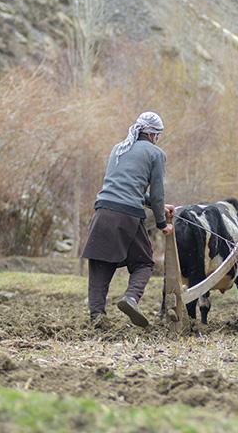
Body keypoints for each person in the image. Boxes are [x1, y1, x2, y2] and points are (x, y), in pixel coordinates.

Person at [81, 111, 173, 328]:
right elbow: (158, 193)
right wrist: (162, 223)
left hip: (103, 212)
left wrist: (154, 204)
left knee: (100, 267)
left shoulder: (118, 148)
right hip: (128, 216)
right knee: (144, 262)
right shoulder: (155, 154)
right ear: (153, 135)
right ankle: (131, 298)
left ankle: (97, 317)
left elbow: (124, 187)